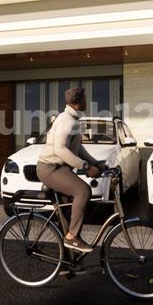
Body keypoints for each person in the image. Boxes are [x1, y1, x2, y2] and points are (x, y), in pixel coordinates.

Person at [37, 87, 103, 253]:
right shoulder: (67, 121)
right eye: (85, 98)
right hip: (50, 168)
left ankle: (68, 260)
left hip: (58, 168)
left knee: (66, 215)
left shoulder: (71, 118)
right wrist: (86, 167)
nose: (87, 101)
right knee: (83, 191)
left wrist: (96, 163)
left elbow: (78, 149)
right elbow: (60, 150)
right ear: (79, 101)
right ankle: (72, 238)